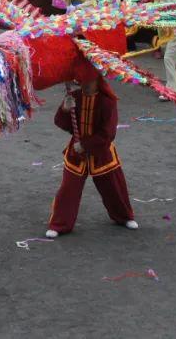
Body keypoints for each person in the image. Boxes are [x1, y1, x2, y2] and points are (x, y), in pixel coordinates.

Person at [45, 76, 137, 237]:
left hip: (101, 152)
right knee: (68, 189)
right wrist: (64, 110)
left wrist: (86, 145)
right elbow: (61, 123)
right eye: (82, 80)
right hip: (76, 153)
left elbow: (108, 134)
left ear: (97, 80)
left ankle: (124, 217)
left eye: (89, 81)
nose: (85, 83)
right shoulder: (74, 97)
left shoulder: (108, 101)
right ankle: (59, 224)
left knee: (114, 187)